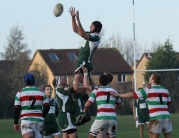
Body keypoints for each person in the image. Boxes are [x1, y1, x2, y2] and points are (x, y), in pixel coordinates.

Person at [113, 73, 172, 138]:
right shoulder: (165, 90)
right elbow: (169, 104)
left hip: (156, 117)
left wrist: (119, 95)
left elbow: (132, 95)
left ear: (153, 80)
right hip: (166, 116)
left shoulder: (148, 90)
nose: (149, 78)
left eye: (150, 77)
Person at [83, 74, 123, 138]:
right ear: (108, 82)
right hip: (112, 119)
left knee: (91, 136)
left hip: (101, 118)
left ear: (99, 82)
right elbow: (120, 106)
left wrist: (85, 110)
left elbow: (87, 104)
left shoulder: (96, 90)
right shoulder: (114, 91)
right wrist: (110, 106)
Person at [14, 73, 50, 138]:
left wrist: (15, 123)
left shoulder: (20, 93)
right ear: (34, 81)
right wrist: (42, 116)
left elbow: (17, 109)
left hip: (26, 120)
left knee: (28, 136)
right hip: (38, 121)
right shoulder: (41, 92)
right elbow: (47, 107)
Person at [69, 6, 102, 74]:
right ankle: (96, 85)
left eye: (92, 25)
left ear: (97, 28)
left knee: (78, 80)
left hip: (85, 62)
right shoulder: (88, 34)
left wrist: (78, 20)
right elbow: (75, 29)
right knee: (83, 81)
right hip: (81, 61)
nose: (90, 26)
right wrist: (73, 17)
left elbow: (82, 34)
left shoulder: (96, 37)